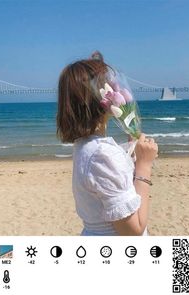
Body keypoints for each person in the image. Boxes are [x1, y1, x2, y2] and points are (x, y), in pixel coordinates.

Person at [56, 52, 158, 236]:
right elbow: (133, 231)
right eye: (110, 85)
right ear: (98, 98)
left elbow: (108, 189)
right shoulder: (102, 155)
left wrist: (132, 158)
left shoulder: (85, 146)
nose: (116, 88)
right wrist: (144, 166)